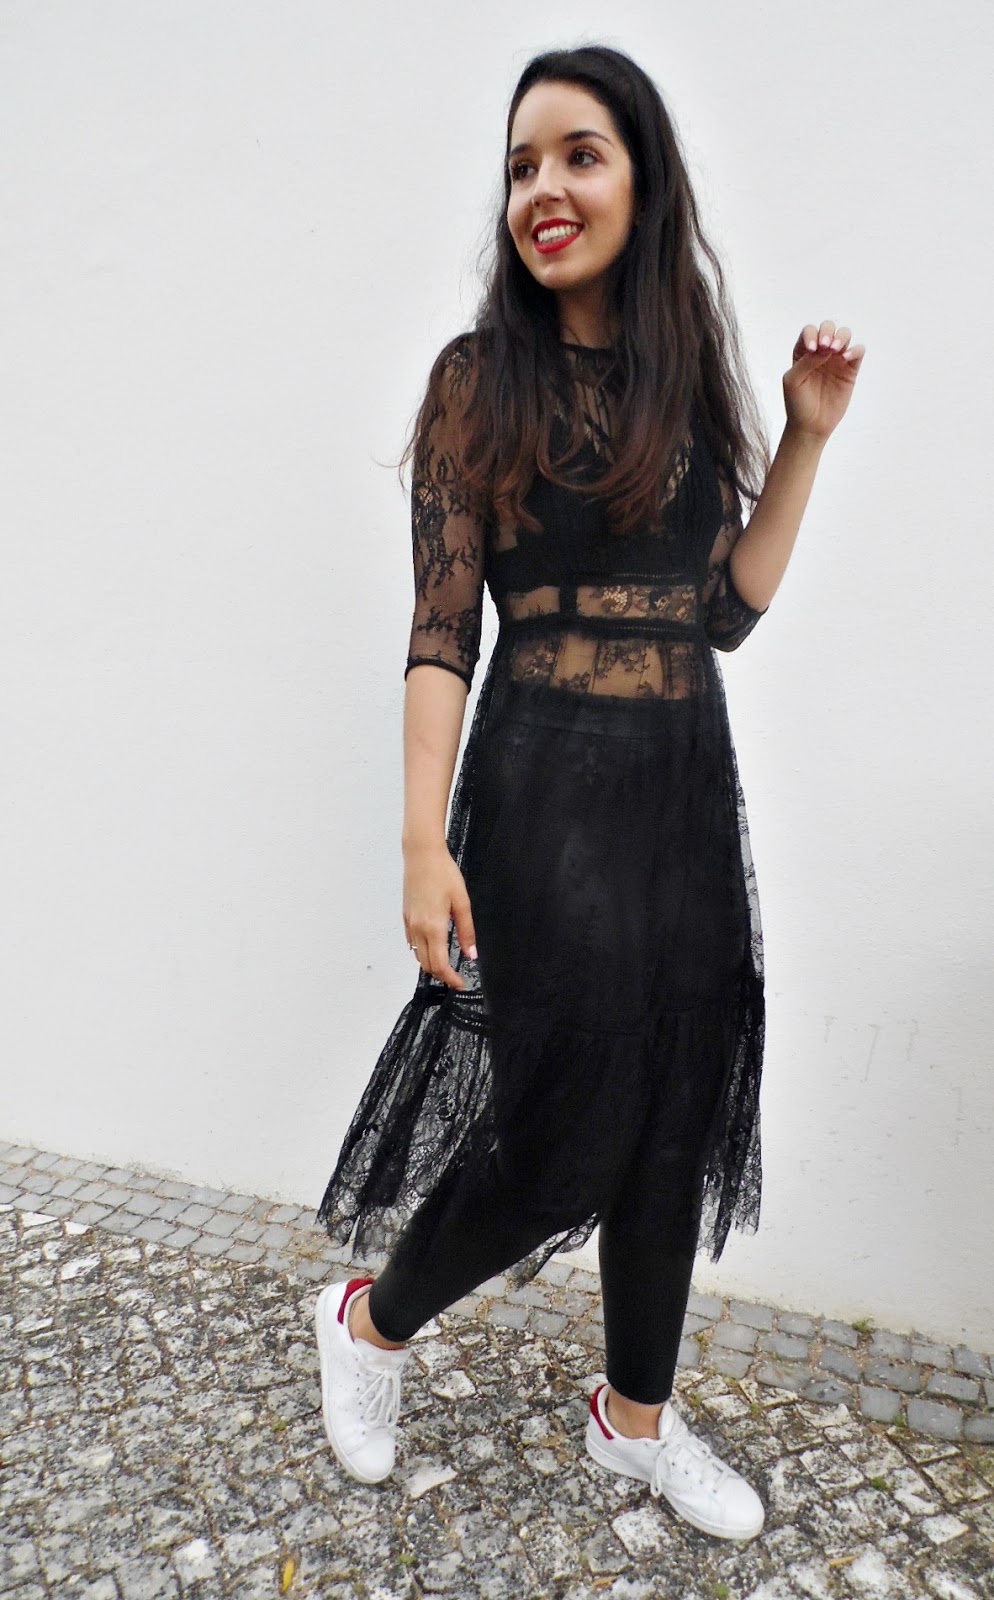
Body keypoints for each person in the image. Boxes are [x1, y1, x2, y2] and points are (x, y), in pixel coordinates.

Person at [313, 43, 864, 1543]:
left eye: (578, 154)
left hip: (681, 791)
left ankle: (635, 1419)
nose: (542, 190)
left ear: (642, 179)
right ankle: (368, 1321)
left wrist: (806, 438)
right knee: (559, 1132)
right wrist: (420, 843)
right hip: (540, 793)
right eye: (520, 166)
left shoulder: (685, 386)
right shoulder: (476, 382)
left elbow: (724, 612)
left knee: (673, 1112)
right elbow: (442, 631)